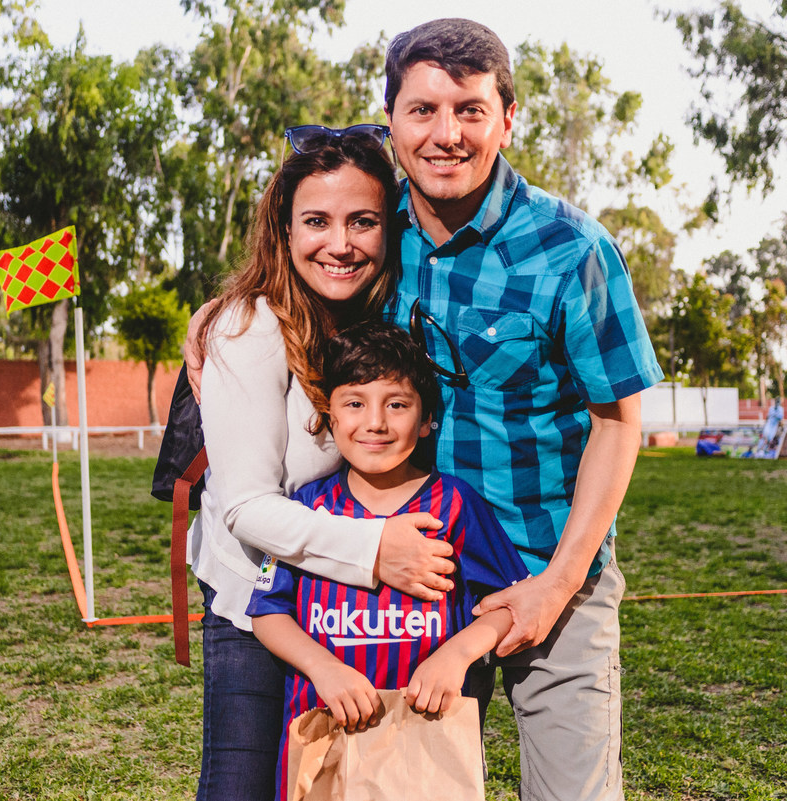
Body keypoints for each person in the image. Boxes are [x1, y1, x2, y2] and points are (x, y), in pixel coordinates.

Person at [187, 18, 663, 800]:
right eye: (424, 110)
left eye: (471, 109)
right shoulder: (378, 232)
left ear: (508, 118)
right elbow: (302, 263)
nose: (447, 134)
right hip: (419, 586)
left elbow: (620, 421)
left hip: (548, 572)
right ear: (392, 124)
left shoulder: (573, 250)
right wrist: (217, 314)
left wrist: (558, 582)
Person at [188, 128, 459, 801]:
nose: (340, 242)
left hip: (342, 615)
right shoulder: (249, 326)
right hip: (258, 608)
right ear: (283, 229)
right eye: (316, 220)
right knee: (243, 788)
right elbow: (246, 506)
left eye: (362, 221)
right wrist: (378, 550)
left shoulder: (374, 324)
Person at [247, 321, 529, 800]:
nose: (375, 422)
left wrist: (456, 656)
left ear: (425, 420)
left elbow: (510, 604)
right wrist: (324, 669)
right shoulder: (305, 511)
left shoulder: (455, 505)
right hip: (323, 731)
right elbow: (267, 613)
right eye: (354, 403)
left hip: (426, 734)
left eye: (396, 404)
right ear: (328, 415)